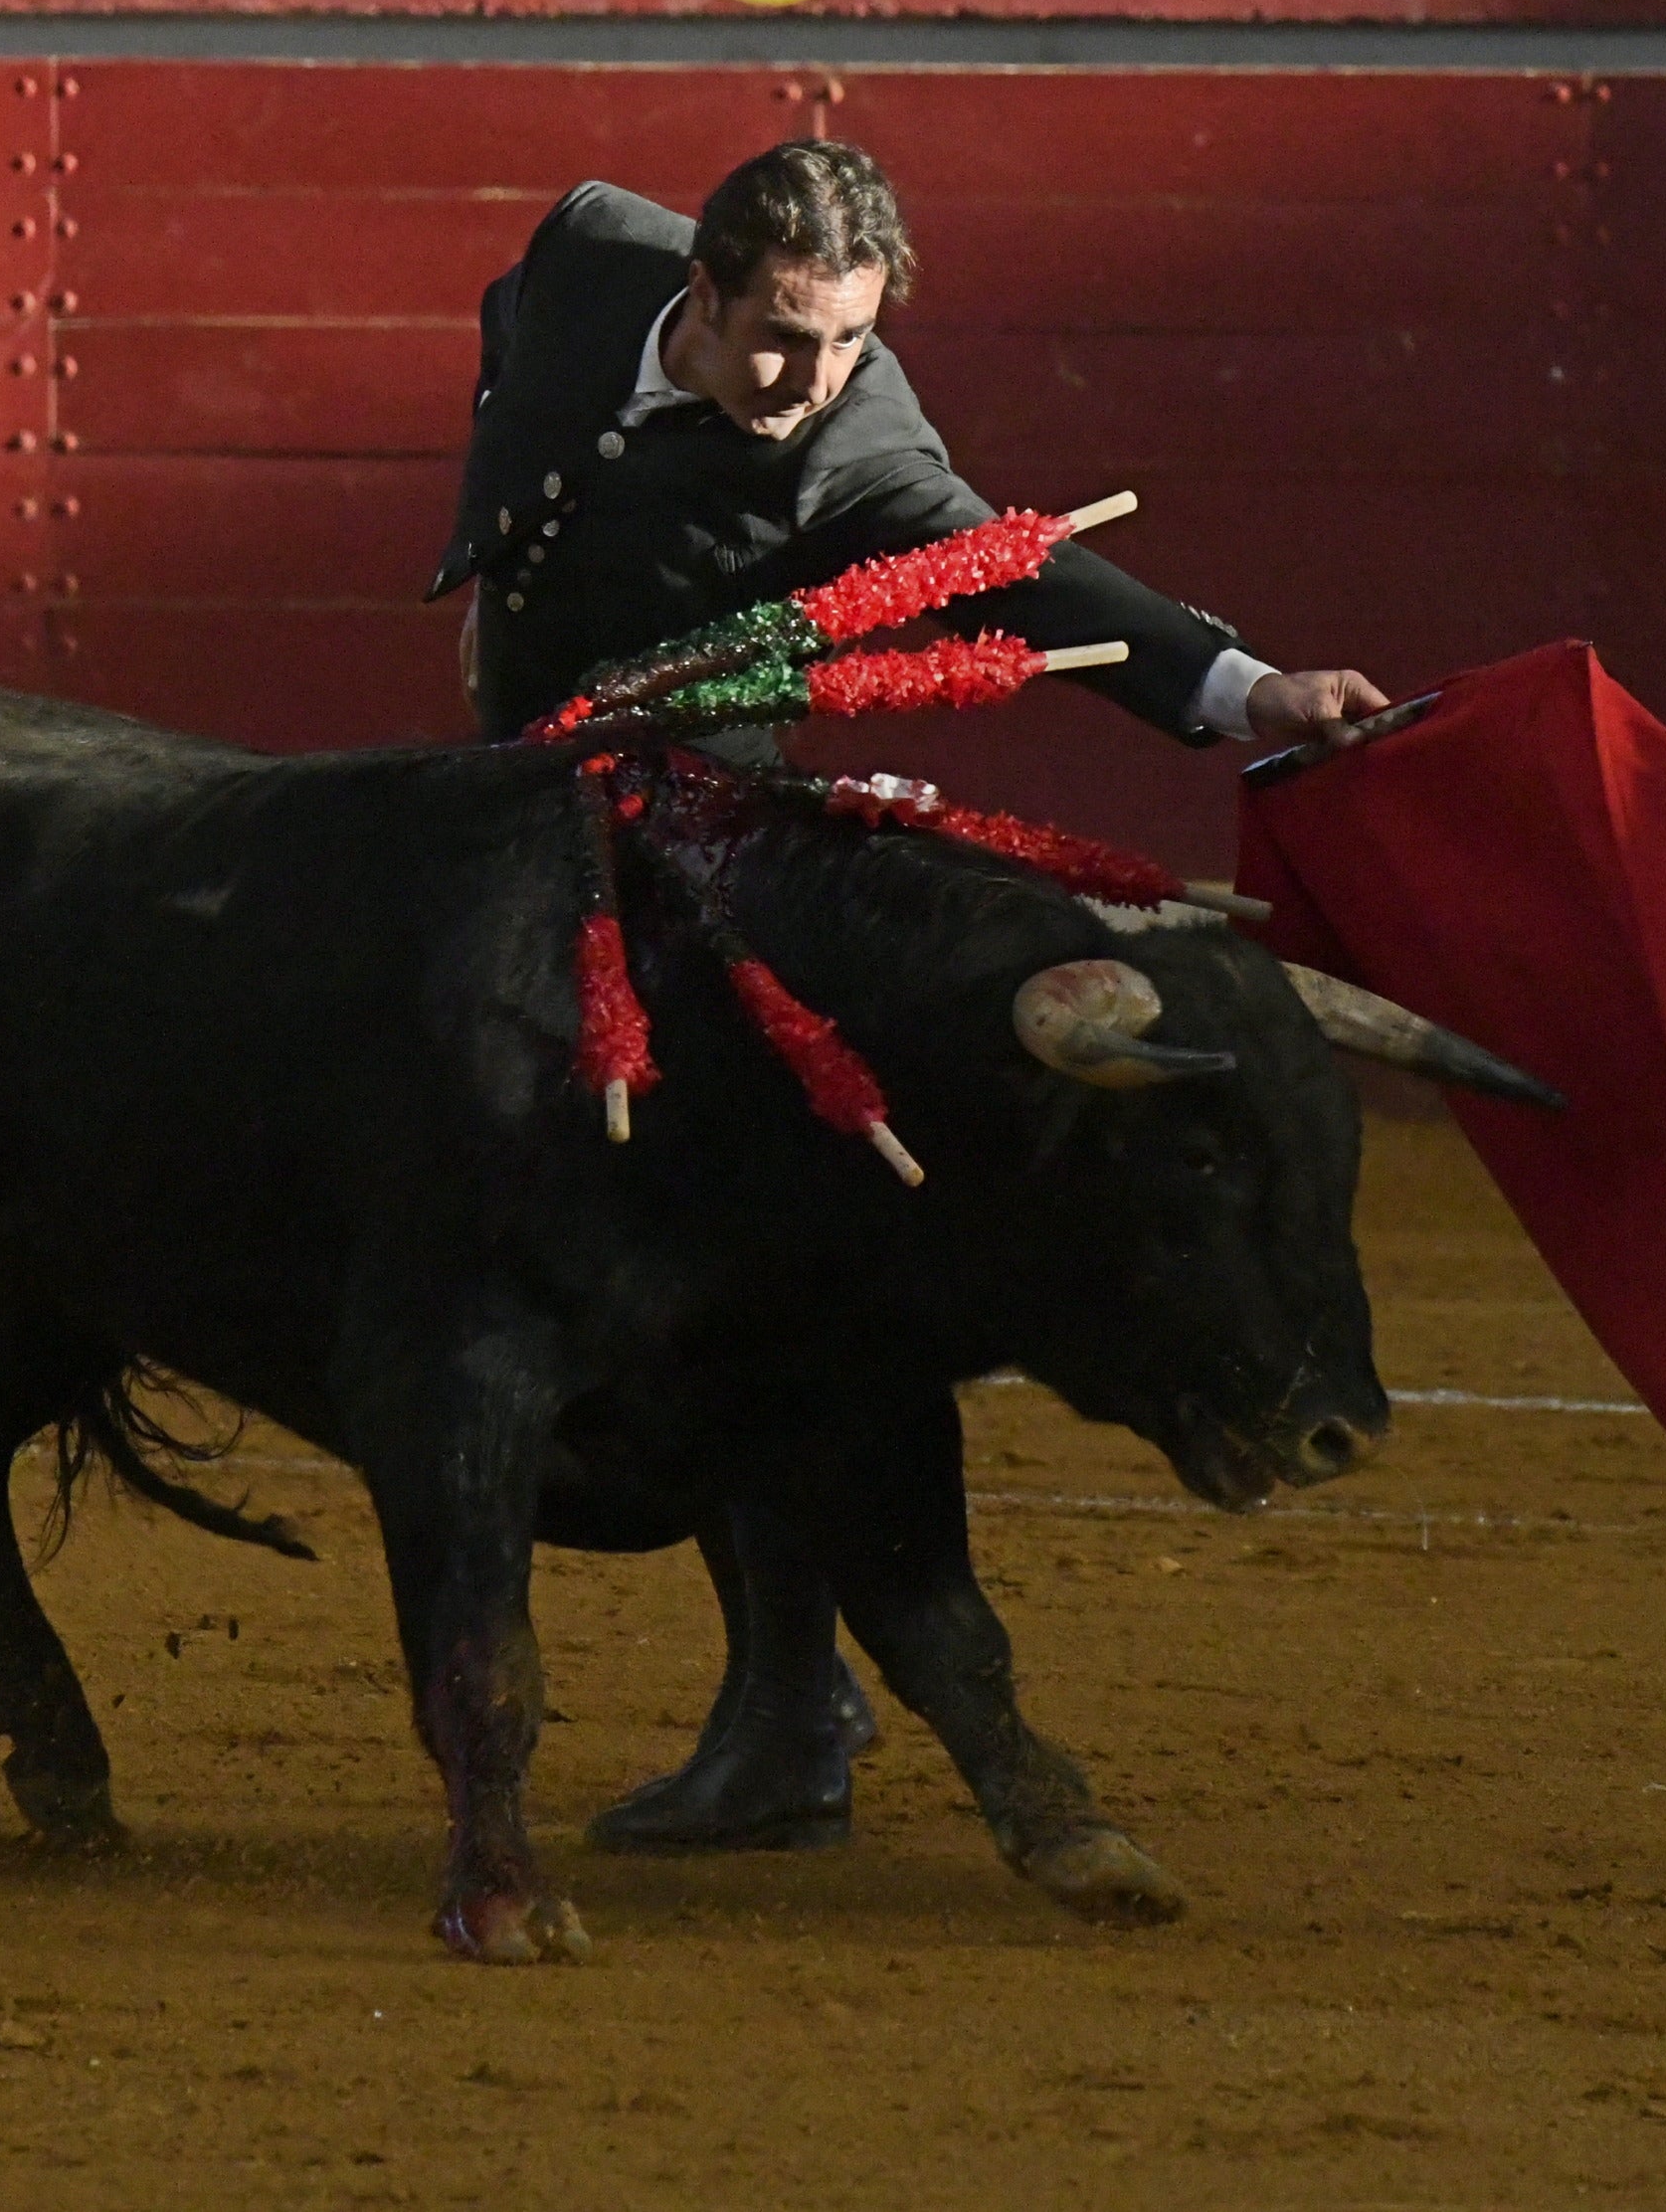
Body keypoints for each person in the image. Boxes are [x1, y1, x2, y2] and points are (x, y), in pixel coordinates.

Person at [427, 139, 1388, 1852]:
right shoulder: (585, 251)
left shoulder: (861, 449)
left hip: (687, 860)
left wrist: (1248, 688)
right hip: (501, 808)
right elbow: (528, 360)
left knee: (727, 1279)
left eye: (849, 342)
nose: (812, 381)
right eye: (784, 338)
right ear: (698, 293)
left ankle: (795, 1704)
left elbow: (1020, 568)